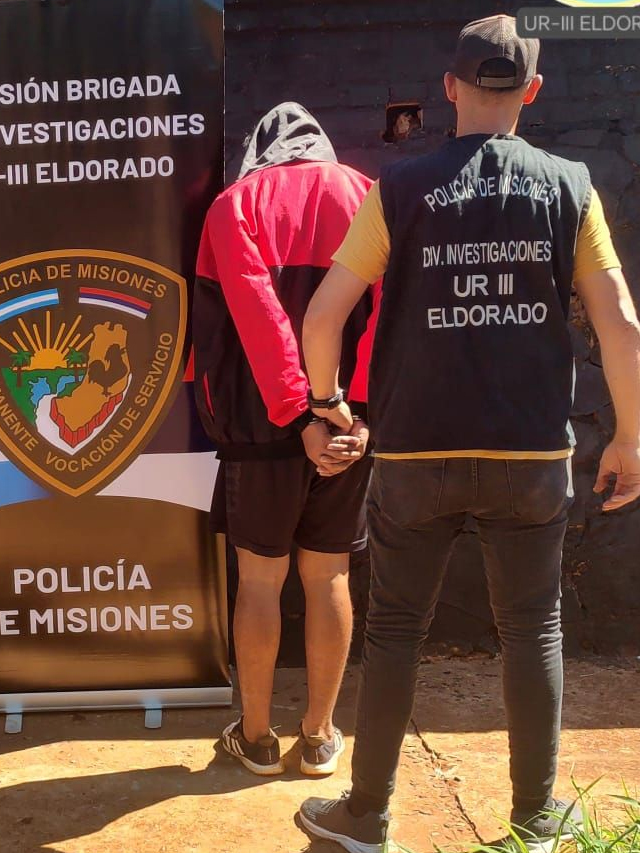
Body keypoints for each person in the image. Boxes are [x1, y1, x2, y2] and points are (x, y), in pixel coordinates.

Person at [297, 15, 640, 852]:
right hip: (531, 452)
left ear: (450, 87)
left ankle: (366, 815)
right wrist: (630, 437)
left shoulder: (399, 188)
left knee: (395, 629)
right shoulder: (572, 187)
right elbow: (621, 326)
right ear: (532, 91)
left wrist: (329, 403)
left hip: (416, 451)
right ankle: (534, 819)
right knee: (533, 628)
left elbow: (324, 314)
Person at [193, 103, 377, 777]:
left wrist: (299, 415)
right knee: (330, 575)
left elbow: (257, 314)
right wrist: (358, 414)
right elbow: (389, 313)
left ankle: (257, 738)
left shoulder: (234, 205)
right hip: (347, 425)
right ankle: (320, 735)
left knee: (260, 581)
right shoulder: (367, 195)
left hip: (261, 424)